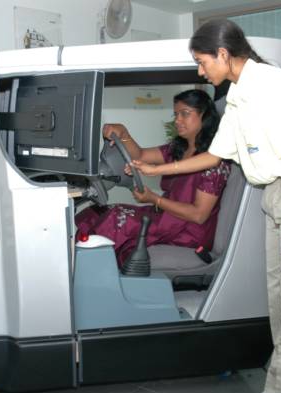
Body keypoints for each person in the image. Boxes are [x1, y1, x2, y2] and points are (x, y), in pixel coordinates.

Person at [132, 19, 281, 393]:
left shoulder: (274, 84)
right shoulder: (238, 98)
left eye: (202, 61)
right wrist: (156, 168)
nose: (200, 70)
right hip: (277, 195)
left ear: (223, 54)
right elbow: (213, 156)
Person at [75, 89, 230, 266]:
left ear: (205, 116)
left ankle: (91, 269)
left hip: (187, 231)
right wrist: (124, 134)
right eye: (176, 114)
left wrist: (154, 199)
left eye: (185, 114)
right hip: (167, 217)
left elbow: (198, 215)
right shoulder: (178, 149)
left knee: (116, 219)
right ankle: (86, 268)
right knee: (99, 212)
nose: (177, 120)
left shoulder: (214, 162)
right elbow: (140, 155)